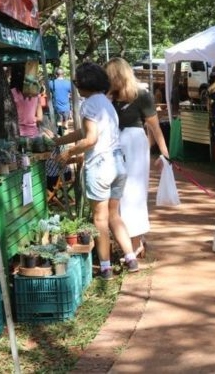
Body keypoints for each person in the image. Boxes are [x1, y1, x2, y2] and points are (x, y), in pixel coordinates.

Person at [55, 62, 138, 278]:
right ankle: (130, 258)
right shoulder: (106, 103)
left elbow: (90, 139)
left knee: (99, 219)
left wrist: (68, 153)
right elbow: (83, 131)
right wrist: (58, 140)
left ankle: (105, 267)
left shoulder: (89, 104)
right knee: (114, 215)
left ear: (84, 84)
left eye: (76, 82)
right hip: (118, 163)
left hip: (101, 166)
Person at [104, 57, 170, 258]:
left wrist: (165, 154)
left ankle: (134, 242)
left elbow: (155, 127)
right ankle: (131, 240)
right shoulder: (109, 98)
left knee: (134, 194)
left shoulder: (142, 96)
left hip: (134, 147)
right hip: (115, 147)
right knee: (118, 195)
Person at [10, 64, 43, 139]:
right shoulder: (36, 94)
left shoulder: (12, 93)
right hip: (34, 134)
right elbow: (40, 118)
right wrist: (31, 119)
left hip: (17, 134)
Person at [49, 68, 73, 135]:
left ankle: (60, 138)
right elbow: (72, 94)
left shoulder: (51, 83)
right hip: (66, 107)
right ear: (63, 74)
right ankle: (65, 138)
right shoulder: (68, 83)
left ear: (56, 75)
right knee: (65, 124)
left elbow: (49, 93)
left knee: (58, 124)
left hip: (56, 107)